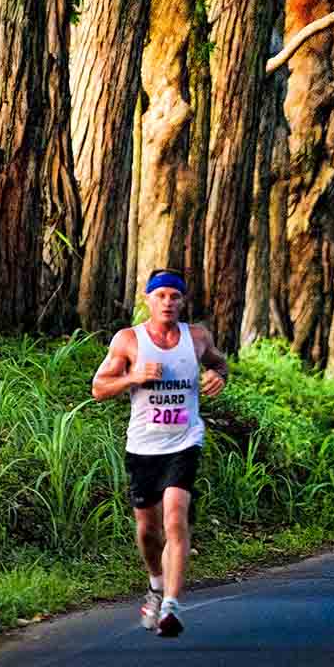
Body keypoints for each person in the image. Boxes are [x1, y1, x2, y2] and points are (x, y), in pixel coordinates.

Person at [91, 269, 229, 638]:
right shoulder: (128, 340)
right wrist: (133, 377)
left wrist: (219, 376)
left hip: (184, 441)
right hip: (143, 446)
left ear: (183, 301)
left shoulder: (196, 337)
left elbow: (219, 362)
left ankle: (170, 606)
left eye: (174, 296)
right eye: (161, 296)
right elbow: (99, 388)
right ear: (148, 300)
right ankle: (155, 583)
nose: (168, 302)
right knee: (148, 531)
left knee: (175, 519)